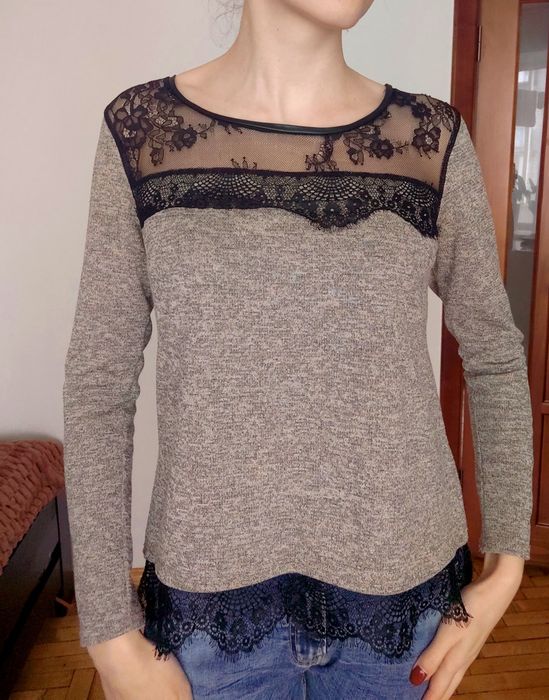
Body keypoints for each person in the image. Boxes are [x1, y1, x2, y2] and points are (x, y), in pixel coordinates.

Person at [62, 1, 534, 698]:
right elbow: (99, 384)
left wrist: (508, 563)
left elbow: (493, 354)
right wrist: (108, 633)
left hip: (401, 613)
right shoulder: (143, 132)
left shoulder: (429, 139)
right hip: (208, 622)